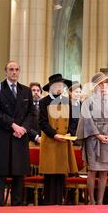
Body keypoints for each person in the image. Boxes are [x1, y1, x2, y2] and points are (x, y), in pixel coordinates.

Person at [0, 61, 34, 206]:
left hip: (20, 137)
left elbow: (31, 113)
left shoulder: (26, 91)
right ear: (6, 71)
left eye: (16, 69)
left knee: (18, 175)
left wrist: (23, 128)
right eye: (11, 69)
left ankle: (17, 206)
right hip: (3, 136)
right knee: (0, 175)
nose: (14, 72)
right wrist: (13, 125)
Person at [77, 72, 108, 205]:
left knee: (104, 172)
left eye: (105, 83)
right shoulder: (88, 101)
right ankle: (92, 200)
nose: (103, 86)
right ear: (94, 86)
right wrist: (97, 135)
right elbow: (87, 120)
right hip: (93, 139)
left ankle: (100, 201)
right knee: (93, 170)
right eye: (100, 83)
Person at [38, 74, 78, 205]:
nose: (60, 87)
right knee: (50, 173)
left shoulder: (68, 101)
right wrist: (54, 134)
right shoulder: (44, 102)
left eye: (62, 85)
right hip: (50, 141)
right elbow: (42, 122)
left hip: (64, 142)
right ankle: (48, 201)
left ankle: (59, 202)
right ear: (51, 87)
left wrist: (69, 133)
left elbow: (73, 121)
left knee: (61, 173)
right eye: (58, 85)